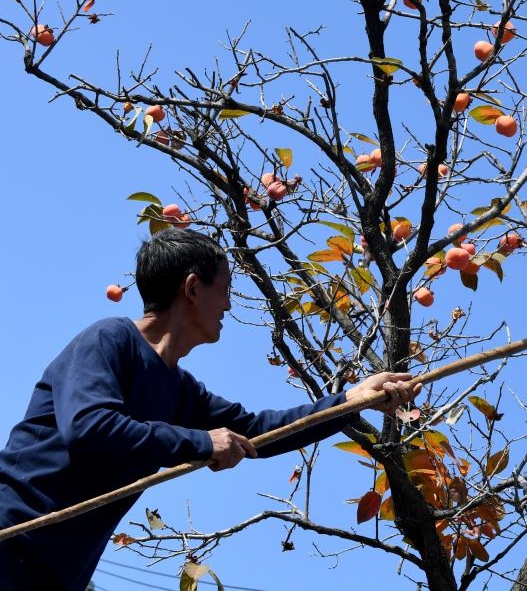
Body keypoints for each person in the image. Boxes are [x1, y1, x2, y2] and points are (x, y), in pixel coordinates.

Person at [0, 228, 420, 590]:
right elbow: (90, 428)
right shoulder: (109, 340)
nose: (230, 305)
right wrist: (200, 442)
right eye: (226, 290)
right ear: (192, 288)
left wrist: (350, 401)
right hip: (13, 540)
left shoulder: (179, 390)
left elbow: (256, 431)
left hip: (57, 574)